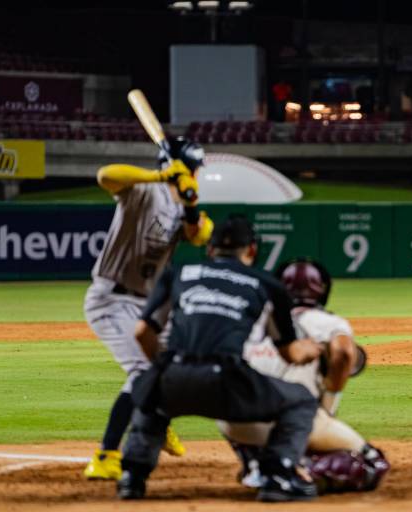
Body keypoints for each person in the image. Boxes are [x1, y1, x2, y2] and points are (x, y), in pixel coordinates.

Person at [118, 216, 323, 502]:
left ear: (210, 249)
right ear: (251, 250)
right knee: (301, 400)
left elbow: (142, 332)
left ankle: (132, 477)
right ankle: (278, 474)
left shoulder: (178, 273)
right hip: (228, 383)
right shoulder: (267, 284)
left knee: (151, 391)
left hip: (176, 374)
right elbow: (291, 353)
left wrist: (165, 369)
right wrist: (313, 349)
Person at [82, 137, 214, 480]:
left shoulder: (185, 204)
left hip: (149, 304)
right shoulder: (142, 191)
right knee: (142, 371)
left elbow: (199, 235)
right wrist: (160, 176)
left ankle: (157, 417)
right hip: (112, 299)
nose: (198, 176)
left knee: (175, 364)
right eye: (196, 170)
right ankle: (106, 456)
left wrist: (190, 202)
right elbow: (105, 175)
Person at [216, 259, 390, 494]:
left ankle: (255, 463)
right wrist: (328, 406)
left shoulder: (253, 321)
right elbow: (344, 353)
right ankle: (291, 471)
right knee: (373, 463)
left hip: (231, 419)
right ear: (323, 291)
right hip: (288, 419)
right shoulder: (327, 322)